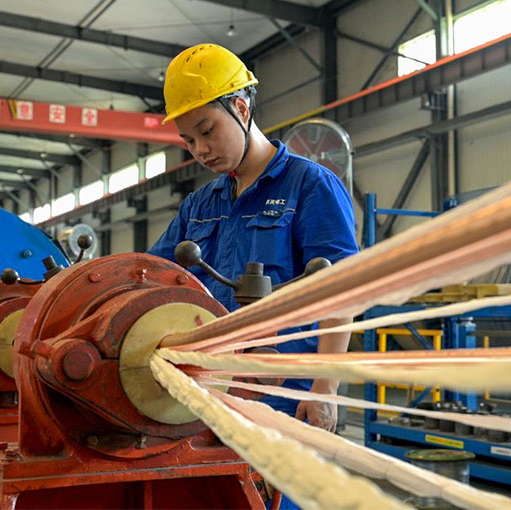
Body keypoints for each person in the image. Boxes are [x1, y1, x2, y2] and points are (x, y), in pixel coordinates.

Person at [148, 43, 358, 437]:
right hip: (208, 394)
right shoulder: (200, 204)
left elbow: (342, 290)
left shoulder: (309, 186)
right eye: (189, 141)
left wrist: (325, 389)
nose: (201, 150)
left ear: (241, 109)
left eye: (207, 131)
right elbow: (150, 273)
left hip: (284, 400)